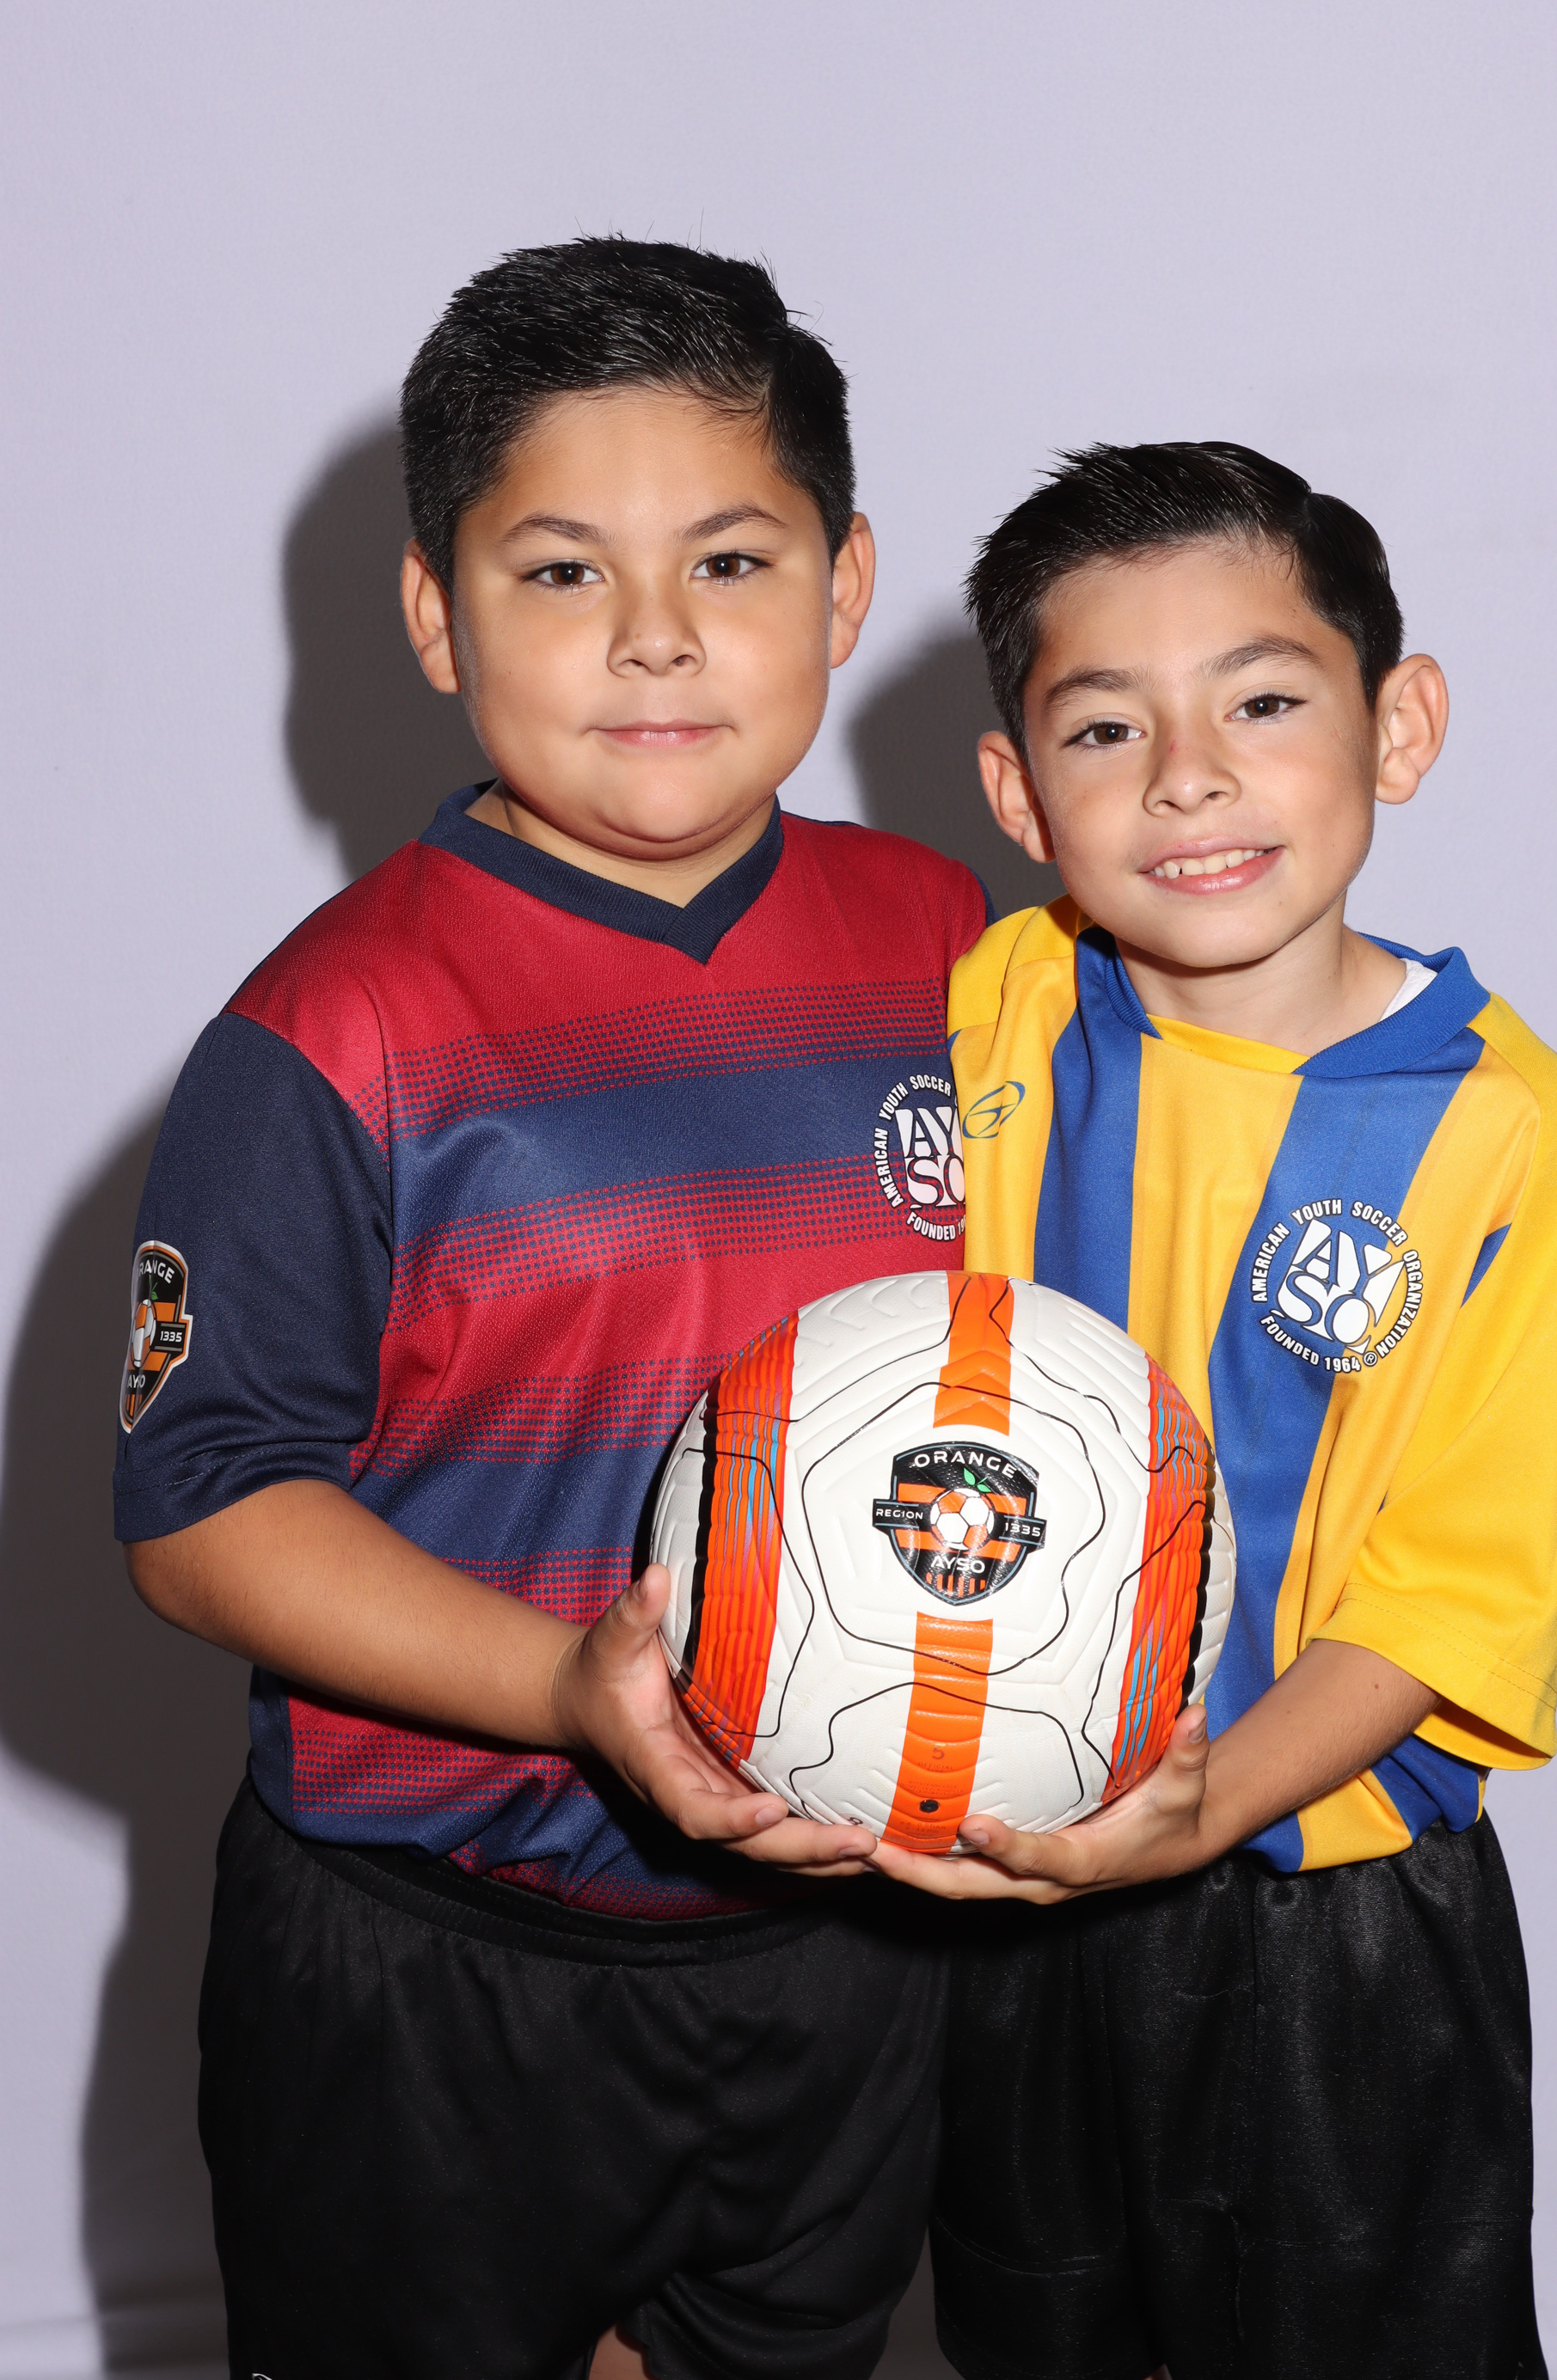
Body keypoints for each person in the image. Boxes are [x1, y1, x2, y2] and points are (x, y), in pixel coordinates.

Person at [114, 238, 986, 2380]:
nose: (656, 633)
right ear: (437, 615)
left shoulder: (961, 950)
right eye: (563, 570)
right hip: (432, 1955)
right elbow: (201, 1506)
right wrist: (572, 1689)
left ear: (849, 586)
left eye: (731, 559)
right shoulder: (332, 1027)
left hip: (842, 1946)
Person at [873, 444, 1557, 2380]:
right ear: (1019, 792)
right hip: (1014, 1885)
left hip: (1331, 1909)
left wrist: (1198, 1808)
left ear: (1399, 723)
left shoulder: (1498, 1123)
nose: (1186, 776)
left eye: (1263, 702)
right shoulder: (995, 1004)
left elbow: (1450, 1598)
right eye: (1106, 728)